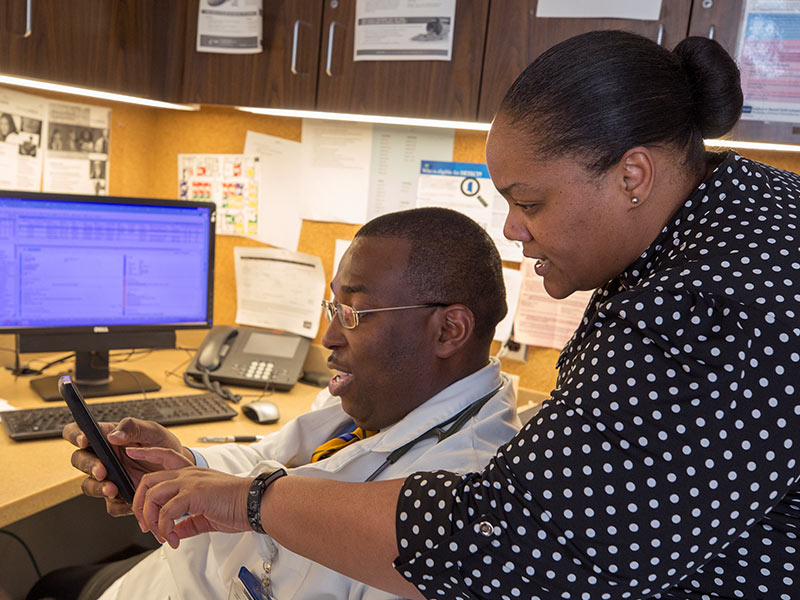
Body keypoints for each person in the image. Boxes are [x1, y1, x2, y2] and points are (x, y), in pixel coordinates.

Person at [126, 30, 800, 600]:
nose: (513, 229)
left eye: (530, 203)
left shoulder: (710, 303)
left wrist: (252, 501)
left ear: (633, 176)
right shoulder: (739, 220)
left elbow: (510, 543)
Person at [54, 207, 521, 600]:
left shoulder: (463, 499)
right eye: (332, 308)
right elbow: (269, 459)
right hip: (171, 575)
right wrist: (180, 465)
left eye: (353, 313)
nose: (329, 337)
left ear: (448, 330)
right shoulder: (386, 397)